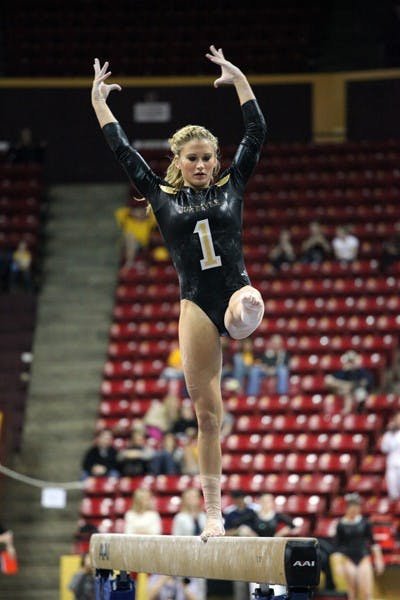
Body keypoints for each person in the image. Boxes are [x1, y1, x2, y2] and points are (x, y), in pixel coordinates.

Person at [91, 45, 266, 540]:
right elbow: (122, 150)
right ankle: (214, 512)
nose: (203, 165)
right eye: (193, 158)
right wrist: (99, 103)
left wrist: (239, 80)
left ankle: (245, 312)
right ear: (178, 160)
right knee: (208, 417)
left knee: (244, 302)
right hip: (196, 305)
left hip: (233, 289)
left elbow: (256, 134)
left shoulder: (233, 184)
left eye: (209, 157)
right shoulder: (161, 196)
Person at [330, 493, 384, 600]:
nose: (354, 511)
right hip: (349, 559)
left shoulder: (365, 523)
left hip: (363, 557)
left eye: (356, 508)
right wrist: (337, 565)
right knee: (352, 592)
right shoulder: (340, 524)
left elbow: (373, 542)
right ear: (347, 509)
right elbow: (337, 546)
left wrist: (379, 559)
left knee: (367, 592)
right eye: (352, 508)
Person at [172, 488, 207, 600]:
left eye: (194, 497)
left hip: (202, 556)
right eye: (189, 497)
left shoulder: (204, 517)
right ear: (184, 500)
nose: (192, 500)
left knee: (200, 590)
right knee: (184, 590)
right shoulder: (180, 518)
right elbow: (175, 540)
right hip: (185, 557)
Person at [324, 350, 374, 414]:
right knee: (344, 391)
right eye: (349, 361)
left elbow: (366, 382)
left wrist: (350, 386)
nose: (350, 364)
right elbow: (328, 380)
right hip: (343, 392)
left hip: (358, 392)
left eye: (352, 361)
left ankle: (358, 413)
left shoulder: (362, 372)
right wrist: (345, 385)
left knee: (360, 394)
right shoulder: (343, 372)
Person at [114, 201, 156, 269]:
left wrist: (147, 211)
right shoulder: (127, 220)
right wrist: (131, 211)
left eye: (142, 210)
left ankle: (129, 262)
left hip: (143, 244)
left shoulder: (149, 221)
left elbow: (156, 214)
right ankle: (130, 261)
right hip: (126, 243)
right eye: (137, 210)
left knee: (130, 237)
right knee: (130, 236)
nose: (140, 212)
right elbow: (119, 212)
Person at [380, 411, 400, 500]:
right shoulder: (389, 434)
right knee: (393, 492)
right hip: (392, 465)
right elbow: (384, 448)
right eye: (398, 419)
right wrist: (390, 434)